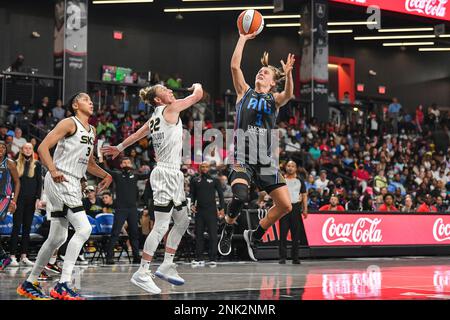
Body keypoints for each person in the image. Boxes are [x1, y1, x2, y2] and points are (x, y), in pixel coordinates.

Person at [102, 82, 203, 294]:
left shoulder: (156, 116)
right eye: (165, 91)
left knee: (183, 221)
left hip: (174, 174)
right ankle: (142, 271)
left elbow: (136, 135)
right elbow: (197, 96)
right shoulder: (170, 108)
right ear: (158, 99)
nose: (170, 91)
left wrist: (119, 147)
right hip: (165, 173)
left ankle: (167, 263)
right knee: (162, 225)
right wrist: (197, 86)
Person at [17, 92, 112, 300]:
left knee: (58, 237)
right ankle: (63, 284)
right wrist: (52, 170)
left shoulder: (92, 130)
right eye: (86, 99)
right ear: (76, 104)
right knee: (84, 228)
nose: (91, 102)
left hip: (72, 182)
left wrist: (106, 174)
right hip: (60, 178)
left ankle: (29, 282)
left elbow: (89, 163)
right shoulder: (69, 123)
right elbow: (42, 148)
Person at [218, 30, 296, 262]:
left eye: (266, 73)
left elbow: (289, 93)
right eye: (260, 71)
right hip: (243, 157)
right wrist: (242, 37)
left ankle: (256, 234)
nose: (261, 73)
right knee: (240, 196)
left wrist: (289, 74)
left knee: (285, 206)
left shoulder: (275, 100)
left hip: (266, 161)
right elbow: (234, 66)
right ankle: (229, 227)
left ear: (273, 82)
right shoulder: (244, 92)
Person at [104, 157, 150, 265]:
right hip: (121, 209)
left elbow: (148, 175)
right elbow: (105, 169)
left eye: (128, 162)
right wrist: (101, 159)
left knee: (134, 234)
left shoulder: (135, 175)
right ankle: (109, 257)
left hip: (133, 209)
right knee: (115, 233)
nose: (126, 164)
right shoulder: (117, 175)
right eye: (124, 162)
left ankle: (136, 257)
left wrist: (158, 163)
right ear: (121, 165)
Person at [9, 143, 42, 267]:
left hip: (31, 200)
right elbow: (12, 183)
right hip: (18, 200)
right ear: (22, 150)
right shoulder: (16, 164)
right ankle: (12, 256)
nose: (28, 150)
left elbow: (39, 183)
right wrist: (12, 200)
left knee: (27, 228)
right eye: (25, 148)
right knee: (16, 227)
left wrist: (38, 199)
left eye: (30, 148)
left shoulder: (37, 165)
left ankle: (24, 256)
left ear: (32, 151)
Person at [190, 162, 225, 264]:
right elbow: (192, 194)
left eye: (206, 166)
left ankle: (212, 258)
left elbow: (221, 195)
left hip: (211, 211)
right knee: (199, 234)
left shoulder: (215, 180)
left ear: (209, 168)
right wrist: (192, 204)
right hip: (199, 211)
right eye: (202, 167)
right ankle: (199, 258)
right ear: (199, 168)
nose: (204, 168)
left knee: (213, 235)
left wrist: (222, 208)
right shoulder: (195, 180)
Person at [279, 161, 307, 265]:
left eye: (293, 166)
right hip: (284, 208)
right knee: (283, 234)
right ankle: (282, 257)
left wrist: (305, 209)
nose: (290, 168)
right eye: (289, 166)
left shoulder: (300, 180)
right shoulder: (282, 180)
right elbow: (276, 193)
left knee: (296, 235)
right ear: (286, 167)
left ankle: (295, 257)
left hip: (295, 208)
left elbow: (304, 195)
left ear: (296, 168)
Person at [0, 141, 20, 271]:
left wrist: (14, 201)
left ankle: (4, 256)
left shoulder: (10, 163)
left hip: (4, 198)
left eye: (3, 147)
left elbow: (17, 182)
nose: (0, 149)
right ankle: (3, 256)